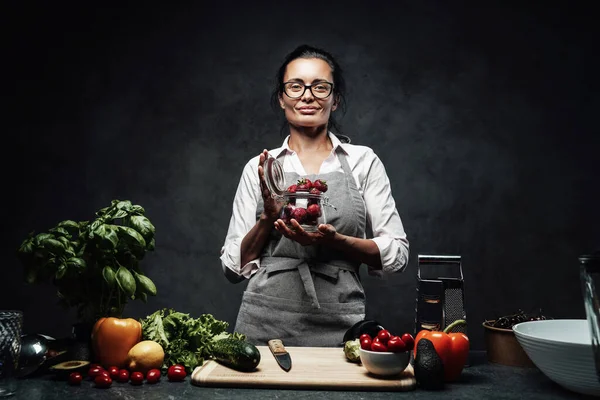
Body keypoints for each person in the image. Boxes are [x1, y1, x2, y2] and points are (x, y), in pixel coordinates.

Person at [220, 44, 409, 347]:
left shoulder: (363, 162)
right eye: (295, 87)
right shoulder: (260, 167)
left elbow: (397, 255)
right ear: (282, 98)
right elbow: (232, 268)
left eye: (320, 87)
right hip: (264, 321)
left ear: (335, 100)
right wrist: (268, 216)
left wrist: (336, 242)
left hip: (341, 320)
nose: (307, 96)